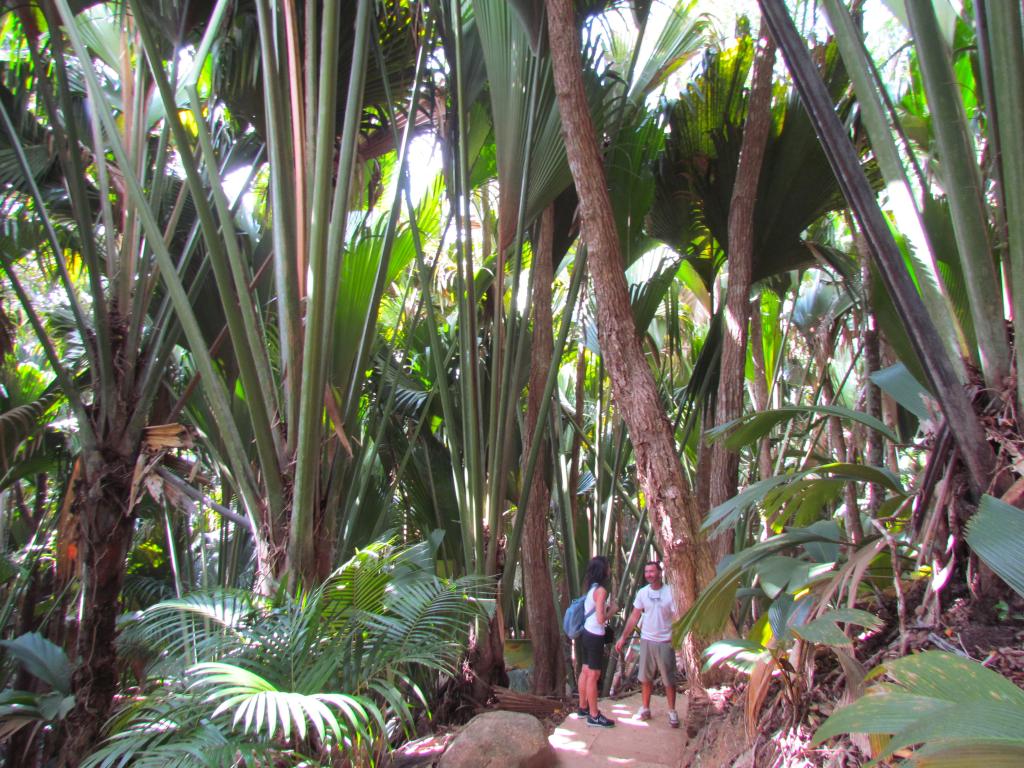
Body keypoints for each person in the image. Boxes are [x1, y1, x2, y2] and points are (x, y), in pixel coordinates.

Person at [615, 561, 680, 728]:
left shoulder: (670, 592)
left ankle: (672, 711)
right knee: (645, 677)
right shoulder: (642, 593)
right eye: (646, 572)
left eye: (652, 571)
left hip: (665, 641)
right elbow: (634, 616)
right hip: (647, 640)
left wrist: (679, 639)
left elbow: (677, 617)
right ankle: (645, 708)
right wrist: (623, 637)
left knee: (668, 679)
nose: (649, 574)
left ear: (660, 573)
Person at [576, 556, 617, 728]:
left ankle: (583, 707)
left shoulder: (591, 588)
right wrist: (612, 611)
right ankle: (594, 715)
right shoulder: (600, 591)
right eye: (608, 566)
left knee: (585, 670)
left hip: (586, 633)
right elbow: (601, 619)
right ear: (603, 570)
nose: (609, 569)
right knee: (593, 675)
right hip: (595, 635)